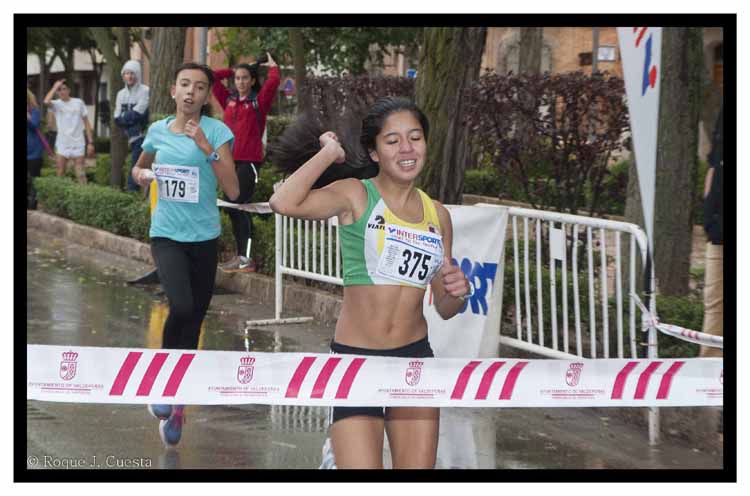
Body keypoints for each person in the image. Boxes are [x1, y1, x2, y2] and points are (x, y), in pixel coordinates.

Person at [269, 97, 473, 469]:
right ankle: (337, 454)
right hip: (355, 360)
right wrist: (329, 153)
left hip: (414, 359)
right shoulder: (356, 194)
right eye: (392, 140)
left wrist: (459, 291)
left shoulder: (437, 214)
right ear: (374, 151)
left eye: (415, 137)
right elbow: (283, 202)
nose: (407, 148)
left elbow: (444, 307)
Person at [131, 62, 240, 448]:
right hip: (167, 235)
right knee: (179, 306)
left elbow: (233, 190)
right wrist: (141, 176)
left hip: (204, 238)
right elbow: (138, 169)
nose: (191, 92)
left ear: (206, 94)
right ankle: (164, 383)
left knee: (194, 319)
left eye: (199, 86)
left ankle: (178, 404)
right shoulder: (157, 131)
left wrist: (206, 149)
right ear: (173, 91)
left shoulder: (216, 131)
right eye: (184, 85)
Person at [212, 52, 281, 273]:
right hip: (228, 162)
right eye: (237, 78)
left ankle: (246, 259)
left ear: (252, 81)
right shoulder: (229, 100)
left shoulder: (258, 102)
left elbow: (273, 82)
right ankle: (241, 256)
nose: (240, 82)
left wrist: (272, 67)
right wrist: (232, 70)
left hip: (249, 163)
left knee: (240, 205)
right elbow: (212, 77)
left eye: (244, 78)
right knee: (233, 208)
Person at [700, 104, 723, 358]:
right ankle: (709, 382)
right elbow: (714, 160)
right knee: (714, 304)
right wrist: (709, 203)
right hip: (718, 226)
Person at [43, 79, 94, 183]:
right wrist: (54, 87)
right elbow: (46, 101)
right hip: (62, 144)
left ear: (69, 90)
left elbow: (87, 123)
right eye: (59, 90)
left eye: (64, 89)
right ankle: (59, 198)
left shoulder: (78, 102)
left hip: (78, 143)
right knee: (60, 173)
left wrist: (90, 143)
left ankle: (83, 197)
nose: (62, 91)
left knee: (80, 174)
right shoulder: (56, 104)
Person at [114, 60, 150, 192]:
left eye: (132, 73)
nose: (129, 76)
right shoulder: (120, 94)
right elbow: (116, 118)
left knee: (136, 164)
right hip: (129, 135)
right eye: (127, 73)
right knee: (133, 164)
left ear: (138, 75)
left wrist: (125, 117)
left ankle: (132, 191)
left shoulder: (145, 91)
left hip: (142, 135)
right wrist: (127, 118)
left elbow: (139, 114)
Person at [27, 89, 44, 209]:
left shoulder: (35, 111)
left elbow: (34, 126)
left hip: (34, 152)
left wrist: (27, 117)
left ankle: (32, 204)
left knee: (34, 179)